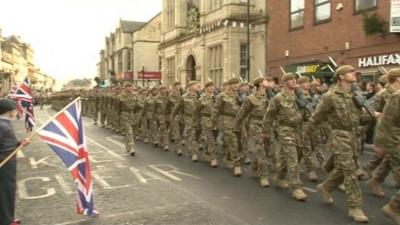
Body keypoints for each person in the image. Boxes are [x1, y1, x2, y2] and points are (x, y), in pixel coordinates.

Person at [305, 65, 373, 223]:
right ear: (341, 76)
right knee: (350, 171)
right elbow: (316, 117)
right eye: (350, 72)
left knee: (343, 168)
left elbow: (361, 118)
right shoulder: (331, 96)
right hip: (339, 136)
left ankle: (326, 186)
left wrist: (374, 115)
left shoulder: (355, 95)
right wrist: (305, 135)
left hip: (353, 136)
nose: (354, 73)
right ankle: (355, 207)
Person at [263, 73, 307, 201]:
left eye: (295, 79)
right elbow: (269, 115)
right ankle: (297, 187)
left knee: (294, 155)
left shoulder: (299, 96)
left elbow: (305, 114)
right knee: (292, 157)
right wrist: (265, 130)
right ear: (285, 82)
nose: (294, 81)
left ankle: (280, 176)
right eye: (291, 79)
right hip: (285, 130)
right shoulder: (278, 98)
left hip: (298, 130)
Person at [374, 68, 400, 225]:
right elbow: (386, 121)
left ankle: (393, 207)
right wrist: (380, 143)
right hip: (395, 141)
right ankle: (393, 208)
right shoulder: (396, 96)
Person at [0, 98, 30, 225]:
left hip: (8, 161)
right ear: (8, 111)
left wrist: (19, 144)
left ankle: (7, 217)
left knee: (7, 191)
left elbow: (6, 143)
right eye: (14, 109)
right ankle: (6, 221)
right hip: (4, 163)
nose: (15, 111)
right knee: (5, 192)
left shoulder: (5, 122)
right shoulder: (2, 124)